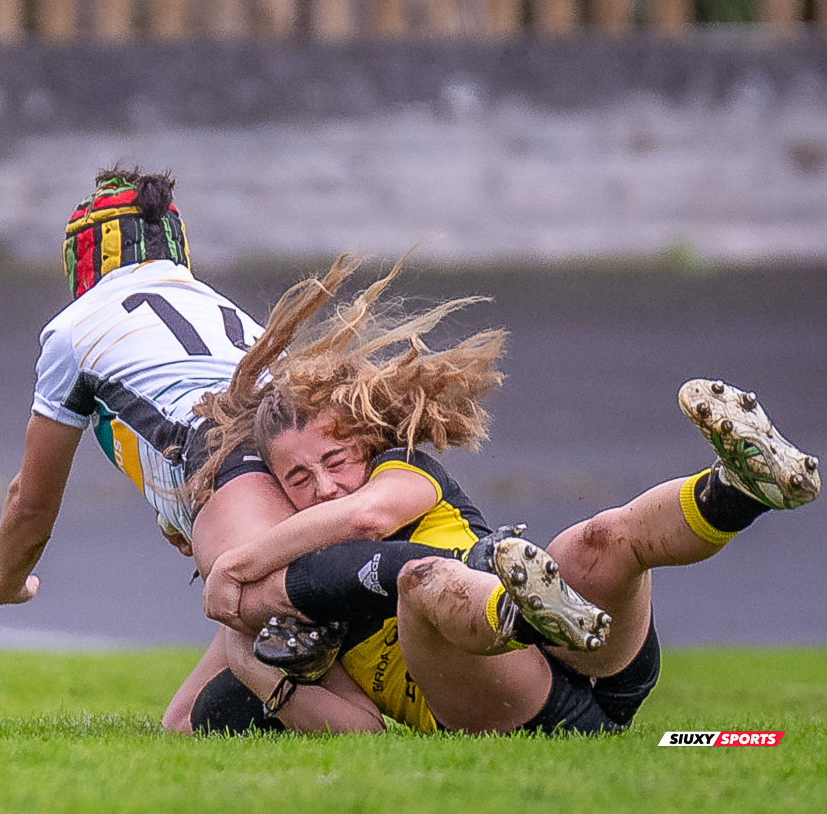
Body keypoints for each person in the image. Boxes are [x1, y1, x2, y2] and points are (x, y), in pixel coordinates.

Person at [196, 257, 822, 735]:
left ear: (364, 443)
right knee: (423, 586)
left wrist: (235, 566)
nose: (324, 486)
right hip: (514, 706)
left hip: (598, 657)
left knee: (600, 538)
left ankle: (742, 488)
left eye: (333, 461)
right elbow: (361, 729)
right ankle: (520, 609)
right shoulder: (307, 596)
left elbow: (366, 516)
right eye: (299, 480)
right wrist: (247, 656)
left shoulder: (405, 471)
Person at [0, 169, 314, 733]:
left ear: (82, 255)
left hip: (224, 462)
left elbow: (32, 503)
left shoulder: (74, 329)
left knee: (280, 610)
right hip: (304, 462)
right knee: (186, 724)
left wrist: (4, 585)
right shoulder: (230, 313)